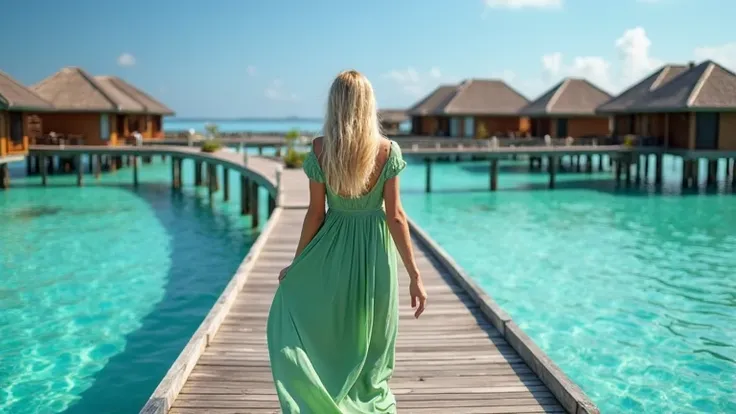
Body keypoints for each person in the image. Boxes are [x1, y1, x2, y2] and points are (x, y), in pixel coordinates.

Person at [267, 70, 428, 413]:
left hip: (332, 248)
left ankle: (324, 393)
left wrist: (298, 265)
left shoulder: (321, 148)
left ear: (335, 104)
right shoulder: (387, 150)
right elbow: (396, 216)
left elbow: (315, 214)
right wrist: (415, 274)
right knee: (374, 336)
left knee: (336, 326)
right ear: (368, 104)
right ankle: (368, 400)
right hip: (375, 251)